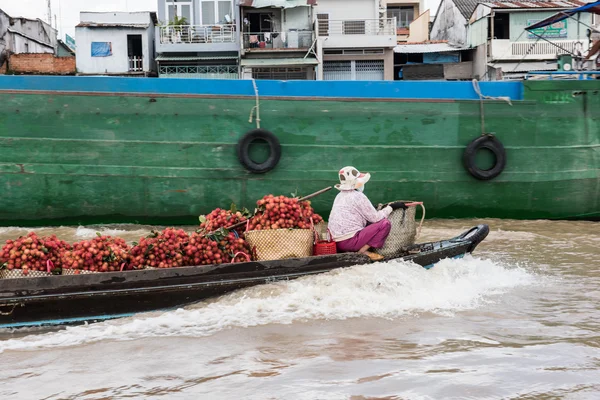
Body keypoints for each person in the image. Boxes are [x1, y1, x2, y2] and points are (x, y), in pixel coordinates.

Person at [327, 166, 407, 261]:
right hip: (350, 242)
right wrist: (391, 207)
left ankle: (359, 249)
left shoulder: (339, 195)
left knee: (370, 224)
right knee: (385, 224)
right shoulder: (358, 196)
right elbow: (376, 218)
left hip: (336, 243)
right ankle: (362, 251)